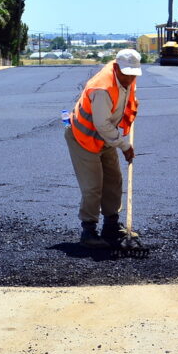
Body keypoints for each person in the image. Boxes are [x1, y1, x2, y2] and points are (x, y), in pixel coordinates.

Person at [64, 49, 141, 248]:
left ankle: (111, 226)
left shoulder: (128, 78)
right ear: (116, 68)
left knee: (114, 180)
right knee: (93, 186)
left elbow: (120, 109)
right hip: (83, 137)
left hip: (105, 138)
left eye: (133, 75)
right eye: (126, 74)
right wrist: (124, 145)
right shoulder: (102, 88)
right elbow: (102, 125)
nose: (129, 79)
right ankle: (88, 231)